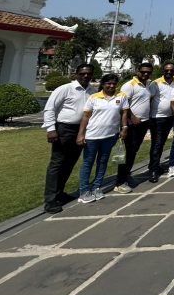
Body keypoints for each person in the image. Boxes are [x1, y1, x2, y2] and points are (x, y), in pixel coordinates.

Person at [42, 64, 96, 213]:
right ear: (76, 74)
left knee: (70, 162)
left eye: (89, 73)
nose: (86, 76)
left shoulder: (92, 91)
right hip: (64, 129)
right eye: (83, 73)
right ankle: (50, 200)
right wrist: (51, 129)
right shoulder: (65, 89)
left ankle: (60, 193)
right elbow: (50, 108)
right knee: (57, 163)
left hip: (81, 130)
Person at [76, 74, 130, 203]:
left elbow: (124, 113)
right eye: (108, 83)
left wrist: (124, 127)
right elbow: (86, 117)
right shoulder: (94, 97)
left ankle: (96, 187)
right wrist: (81, 134)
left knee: (103, 162)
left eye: (114, 84)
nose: (111, 86)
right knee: (88, 163)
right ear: (103, 84)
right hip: (92, 136)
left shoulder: (121, 96)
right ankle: (84, 191)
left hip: (110, 136)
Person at [115, 62, 154, 193]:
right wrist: (132, 117)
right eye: (143, 72)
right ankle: (120, 182)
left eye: (148, 72)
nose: (145, 74)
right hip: (131, 124)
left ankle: (127, 175)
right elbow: (122, 104)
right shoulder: (129, 85)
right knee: (127, 152)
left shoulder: (147, 85)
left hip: (143, 123)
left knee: (134, 151)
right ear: (137, 71)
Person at [148, 61, 174, 182]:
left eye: (171, 70)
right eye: (167, 70)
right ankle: (153, 170)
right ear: (163, 71)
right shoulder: (155, 83)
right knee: (157, 143)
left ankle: (154, 165)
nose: (169, 72)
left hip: (170, 117)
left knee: (161, 143)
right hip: (157, 118)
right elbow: (149, 99)